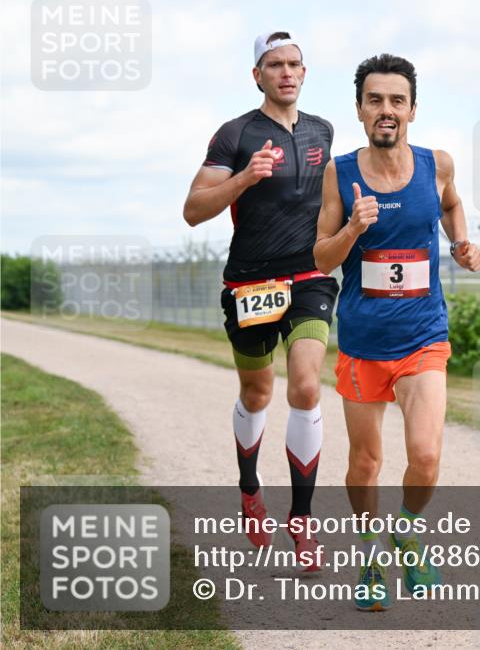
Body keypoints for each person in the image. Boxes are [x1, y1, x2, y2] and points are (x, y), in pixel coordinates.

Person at [313, 53, 480, 609]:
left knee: (426, 454)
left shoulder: (438, 165)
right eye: (375, 100)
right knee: (366, 463)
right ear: (360, 109)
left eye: (396, 100)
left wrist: (461, 243)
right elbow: (321, 257)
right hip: (363, 343)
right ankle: (369, 556)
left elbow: (452, 206)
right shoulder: (339, 173)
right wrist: (352, 229)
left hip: (423, 337)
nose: (386, 109)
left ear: (412, 109)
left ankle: (406, 534)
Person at [183, 31, 337, 570]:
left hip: (310, 276)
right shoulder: (236, 134)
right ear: (257, 75)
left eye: (294, 63)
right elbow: (193, 210)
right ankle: (249, 486)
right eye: (275, 65)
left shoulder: (323, 130)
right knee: (256, 394)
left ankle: (302, 520)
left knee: (307, 386)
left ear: (304, 72)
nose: (286, 72)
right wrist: (245, 178)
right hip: (250, 283)